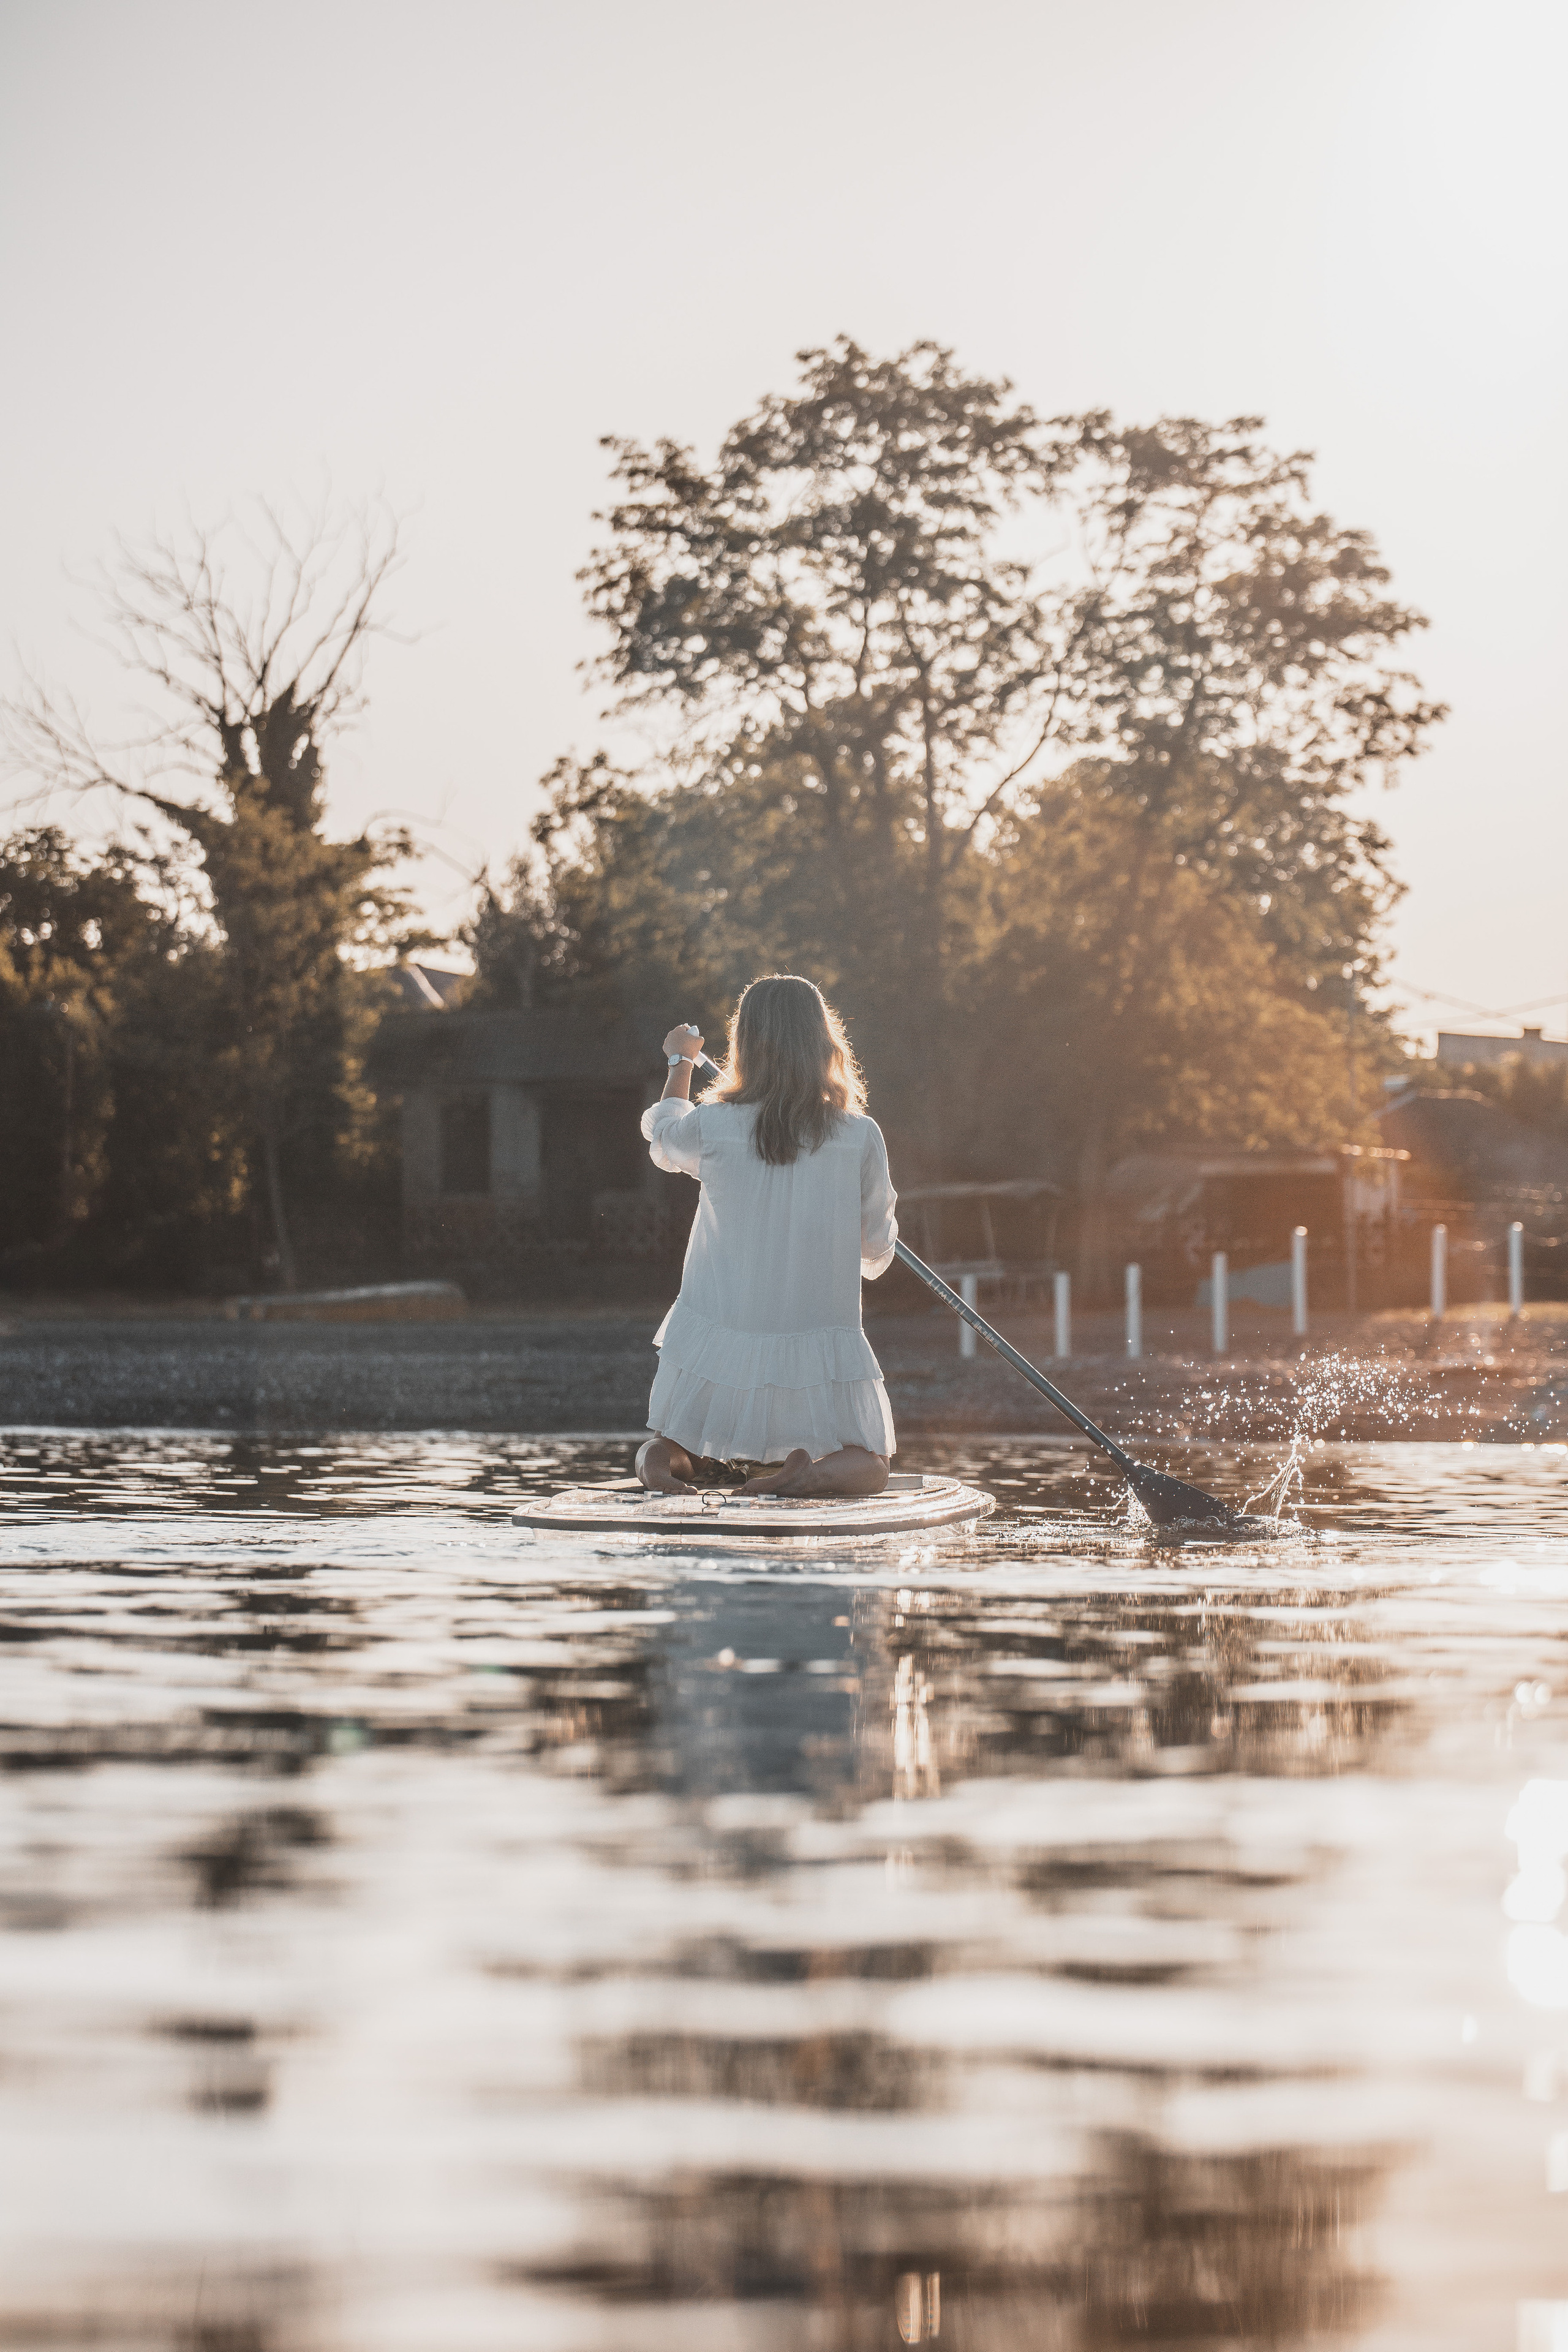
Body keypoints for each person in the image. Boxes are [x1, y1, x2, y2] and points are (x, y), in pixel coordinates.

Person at [636, 973, 898, 1498]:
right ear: (822, 1042)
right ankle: (806, 1476)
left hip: (719, 1332)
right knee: (870, 1465)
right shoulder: (859, 1136)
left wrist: (680, 1061)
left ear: (745, 1045)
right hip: (816, 1334)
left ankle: (659, 1469)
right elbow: (876, 1253)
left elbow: (663, 1138)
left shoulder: (713, 1126)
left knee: (672, 1443)